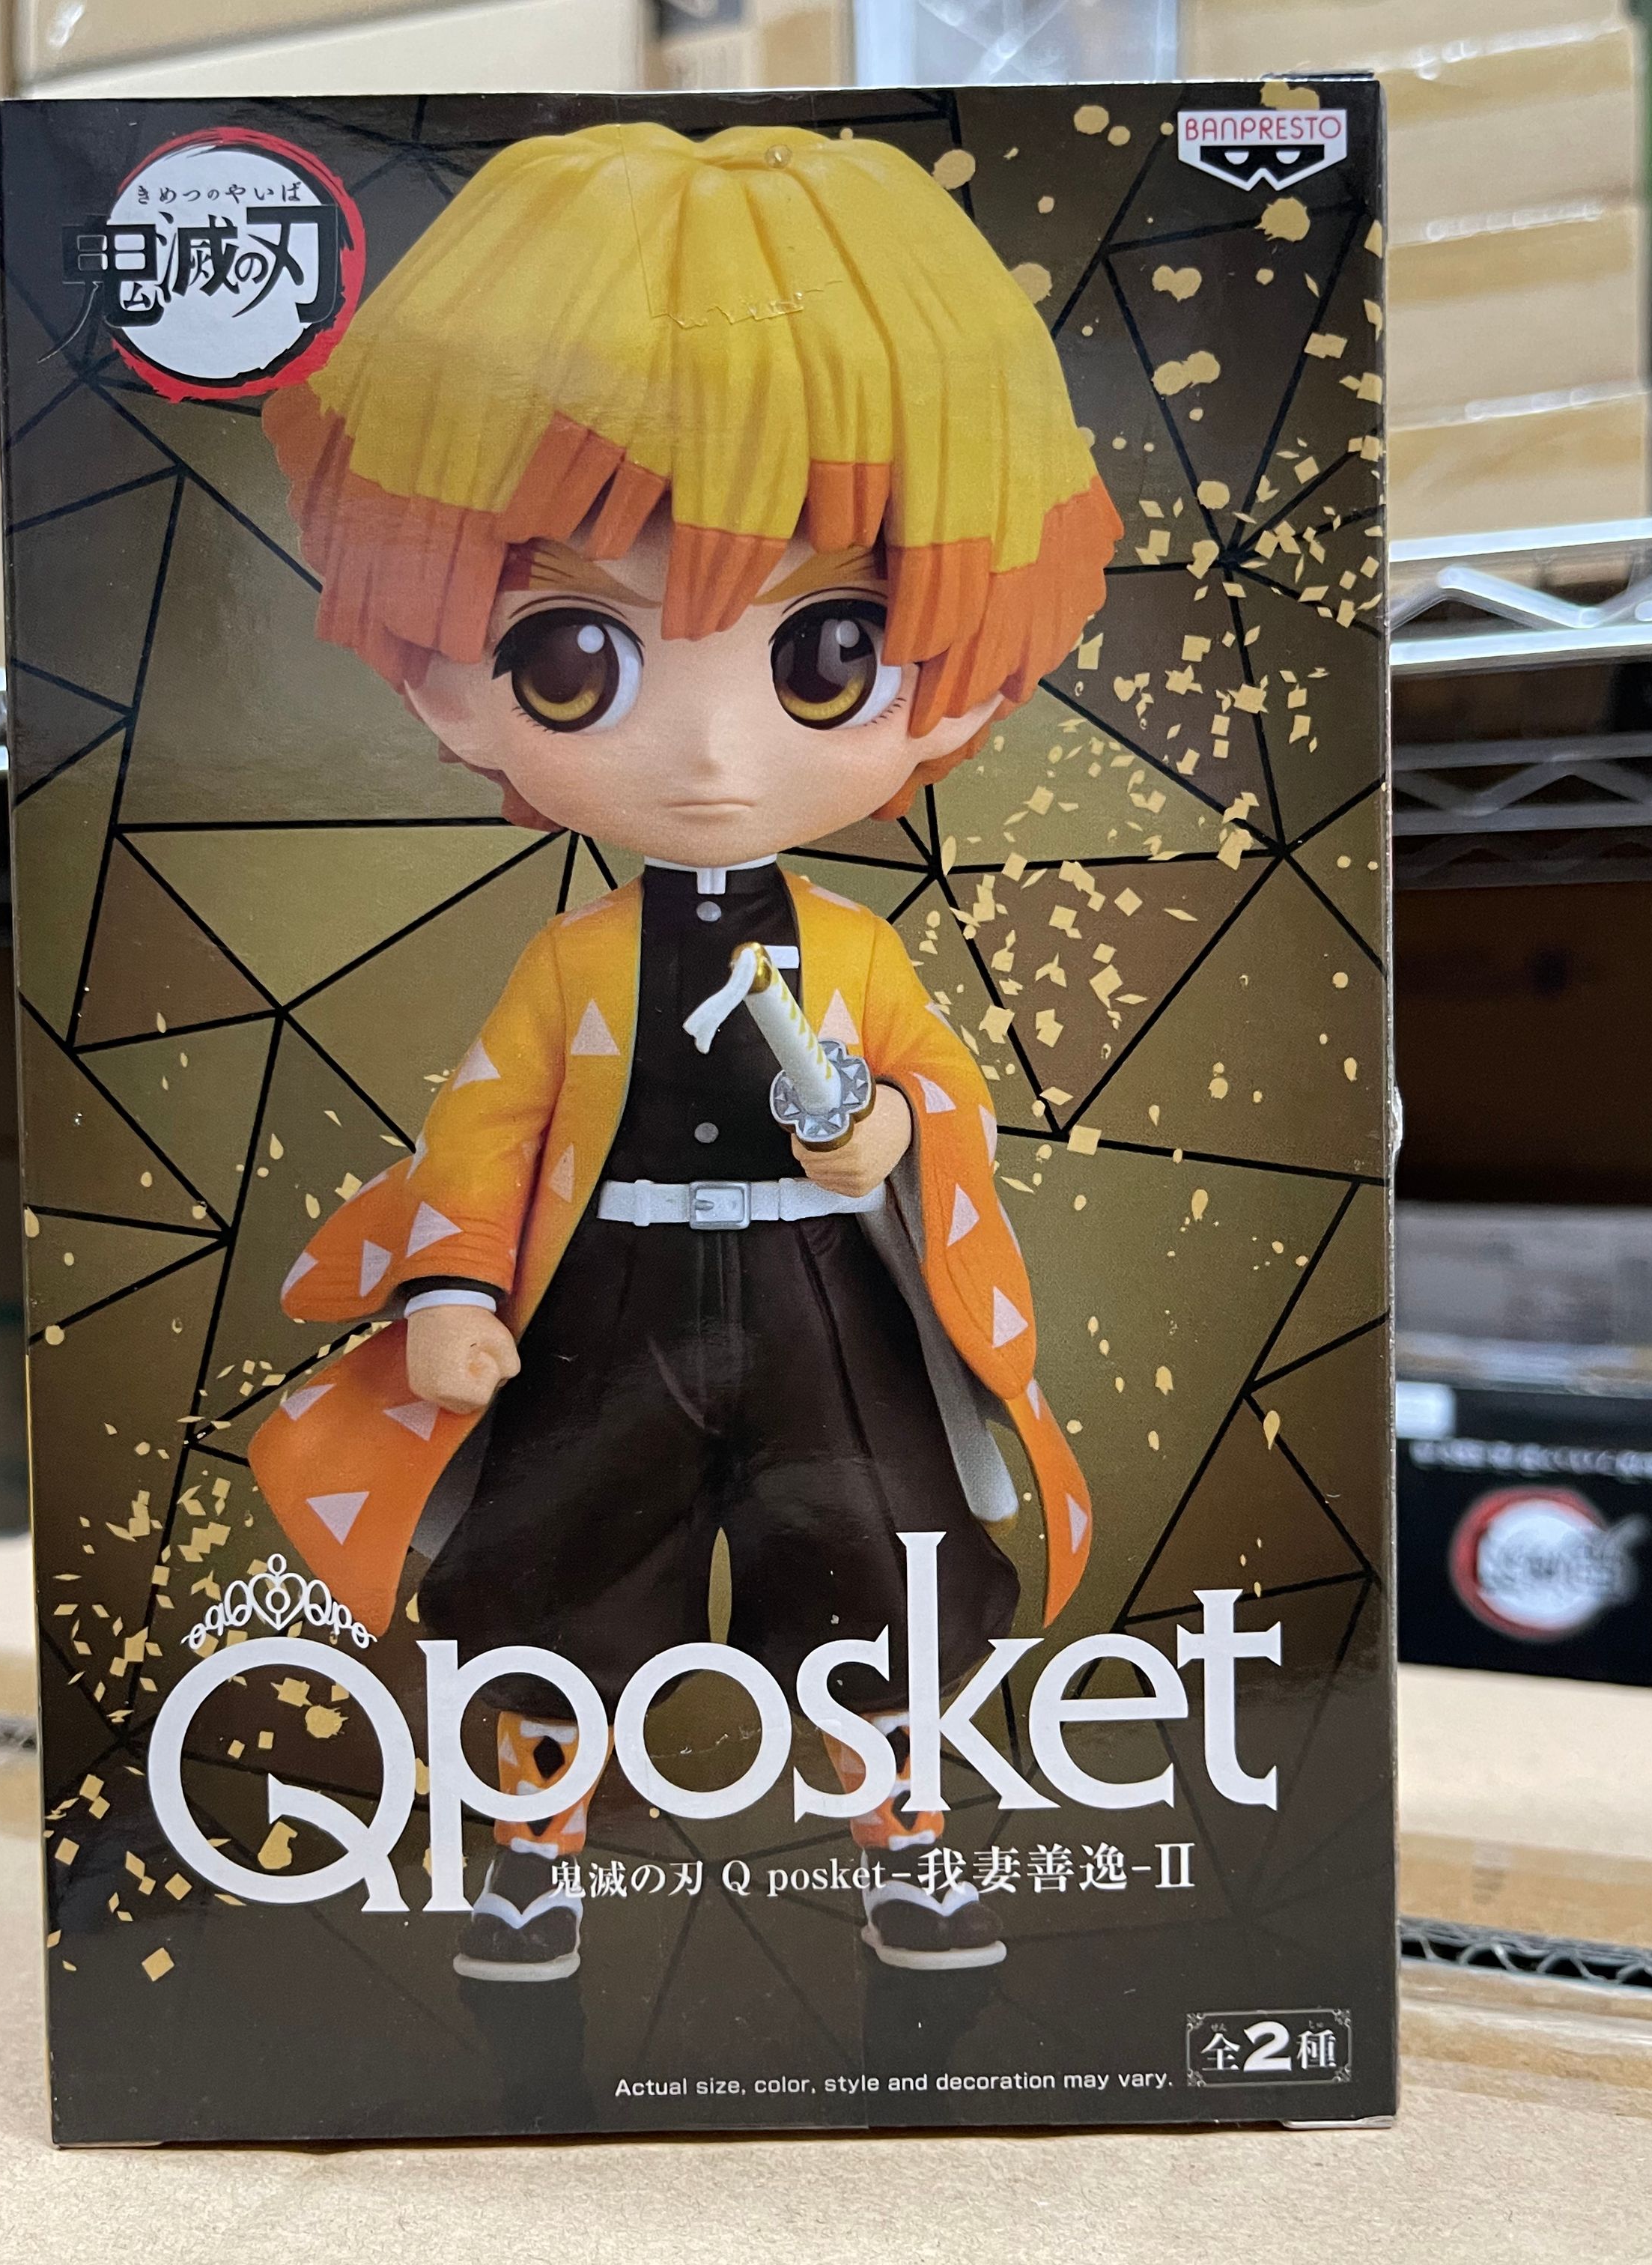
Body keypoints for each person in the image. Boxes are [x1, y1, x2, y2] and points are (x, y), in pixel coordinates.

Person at [248, 121, 1121, 1981]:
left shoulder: (858, 949)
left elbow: (938, 1092)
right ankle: (535, 1851)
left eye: (830, 654)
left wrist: (890, 1137)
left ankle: (906, 1840)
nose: (719, 757)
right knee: (555, 1564)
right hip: (610, 1292)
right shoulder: (569, 964)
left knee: (876, 1559)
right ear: (443, 668)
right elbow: (485, 1130)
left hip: (820, 1292)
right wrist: (454, 1286)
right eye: (574, 656)